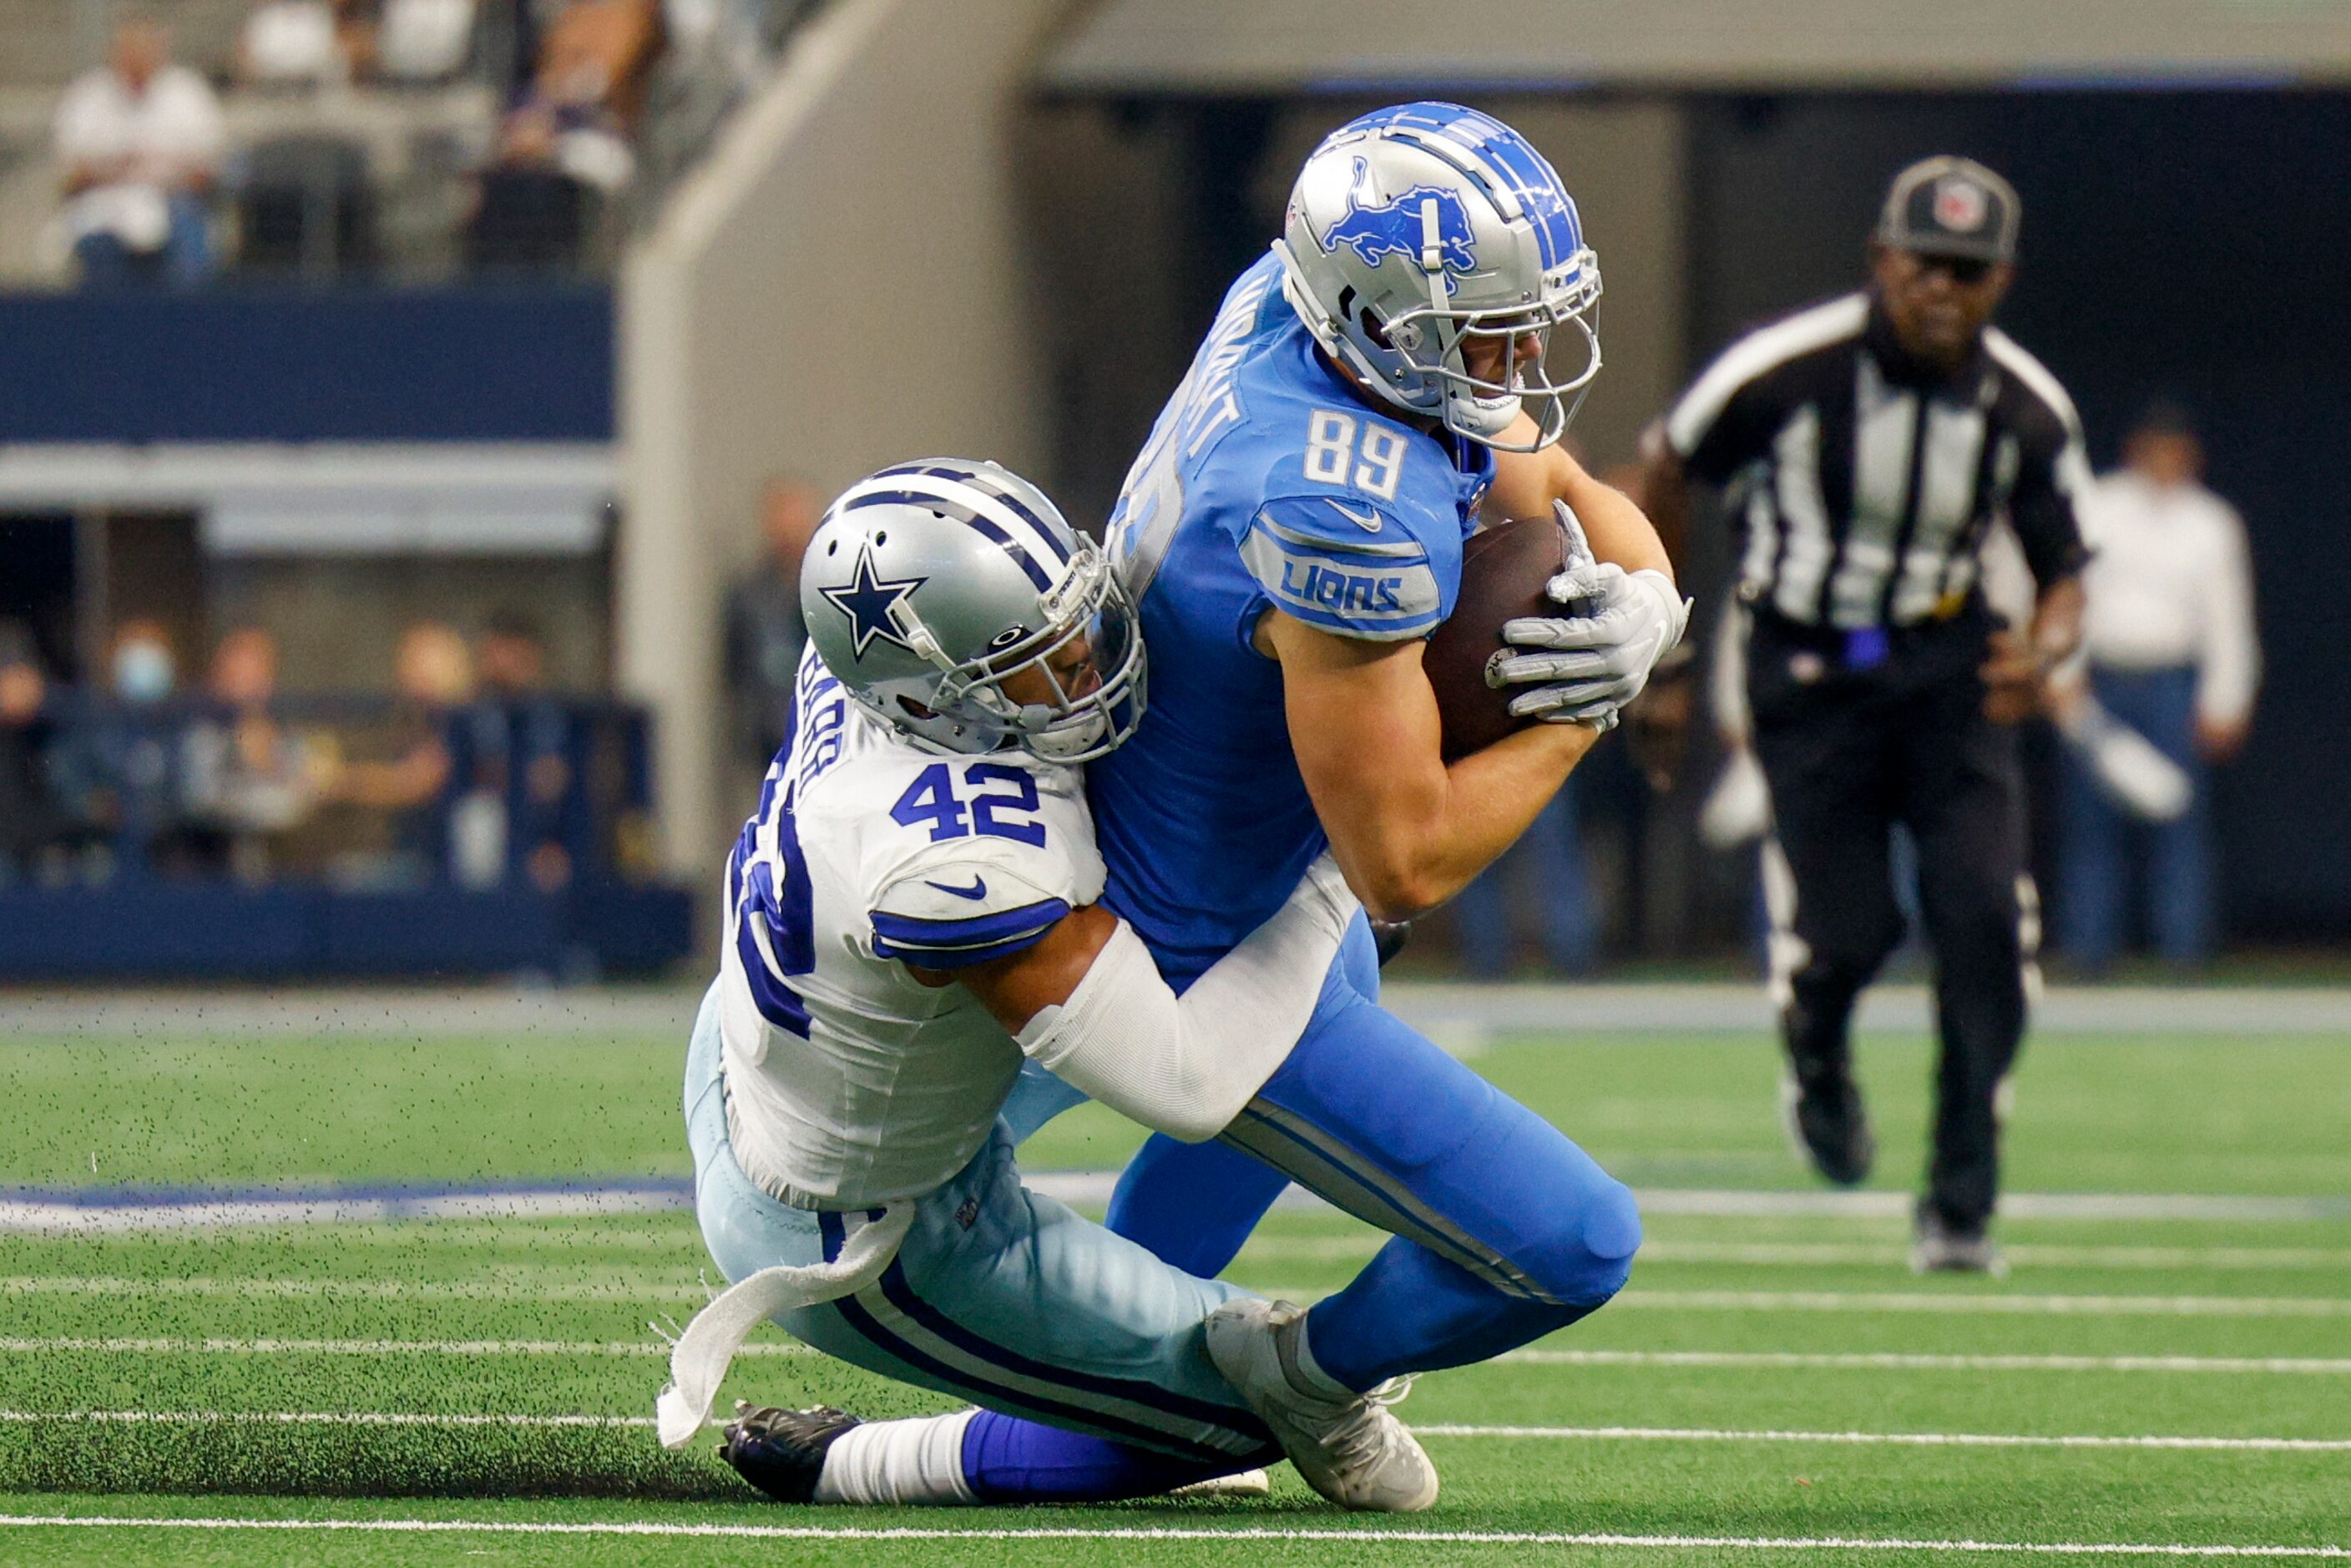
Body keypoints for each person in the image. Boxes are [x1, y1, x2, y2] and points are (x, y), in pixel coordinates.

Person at [663, 459, 1432, 1512]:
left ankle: (1112, 1319)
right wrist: (1326, 872)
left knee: (1319, 967)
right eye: (1033, 660)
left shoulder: (866, 665)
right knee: (1275, 1405)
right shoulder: (951, 860)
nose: (1085, 663)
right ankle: (844, 1461)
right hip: (860, 1228)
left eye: (1071, 621)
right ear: (932, 697)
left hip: (776, 1044)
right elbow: (1184, 1083)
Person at [1074, 104, 1678, 1416]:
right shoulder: (1335, 502)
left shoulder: (1302, 309)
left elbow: (1563, 488)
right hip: (1186, 936)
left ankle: (1097, 1357)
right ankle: (1285, 1379)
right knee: (1573, 1242)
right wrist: (1580, 712)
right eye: (1488, 328)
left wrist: (1647, 595)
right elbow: (1405, 861)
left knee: (1341, 951)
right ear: (1376, 313)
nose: (1519, 354)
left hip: (1216, 847)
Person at [1640, 155, 2090, 1273]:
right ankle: (1819, 1050)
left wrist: (2049, 647)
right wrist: (1665, 654)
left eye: (1969, 272)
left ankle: (1960, 1199)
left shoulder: (2024, 406)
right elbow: (1662, 465)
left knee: (1985, 921)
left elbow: (2066, 562)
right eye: (1924, 264)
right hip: (1810, 674)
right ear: (1882, 262)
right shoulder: (1788, 372)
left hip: (1949, 667)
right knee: (1850, 933)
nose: (1942, 290)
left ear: (2002, 283)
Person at [2055, 407, 2259, 971]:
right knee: (2091, 825)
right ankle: (2087, 954)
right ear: (2137, 448)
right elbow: (2073, 595)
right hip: (2105, 681)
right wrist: (2065, 677)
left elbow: (2228, 619)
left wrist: (2226, 700)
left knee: (2180, 822)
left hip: (2174, 684)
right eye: (2158, 448)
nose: (2168, 461)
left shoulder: (2211, 522)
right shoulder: (2100, 505)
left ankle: (2183, 955)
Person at [52, 19, 225, 289]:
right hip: (105, 203)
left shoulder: (187, 93)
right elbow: (69, 177)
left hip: (172, 200)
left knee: (187, 232)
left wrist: (159, 174)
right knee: (96, 244)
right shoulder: (87, 96)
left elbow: (208, 173)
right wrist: (119, 171)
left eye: (145, 51)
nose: (137, 60)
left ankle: (190, 321)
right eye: (130, 51)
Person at [724, 476, 823, 779]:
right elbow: (735, 668)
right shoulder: (750, 595)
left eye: (796, 517)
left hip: (823, 726)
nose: (788, 529)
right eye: (781, 516)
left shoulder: (826, 589)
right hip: (770, 731)